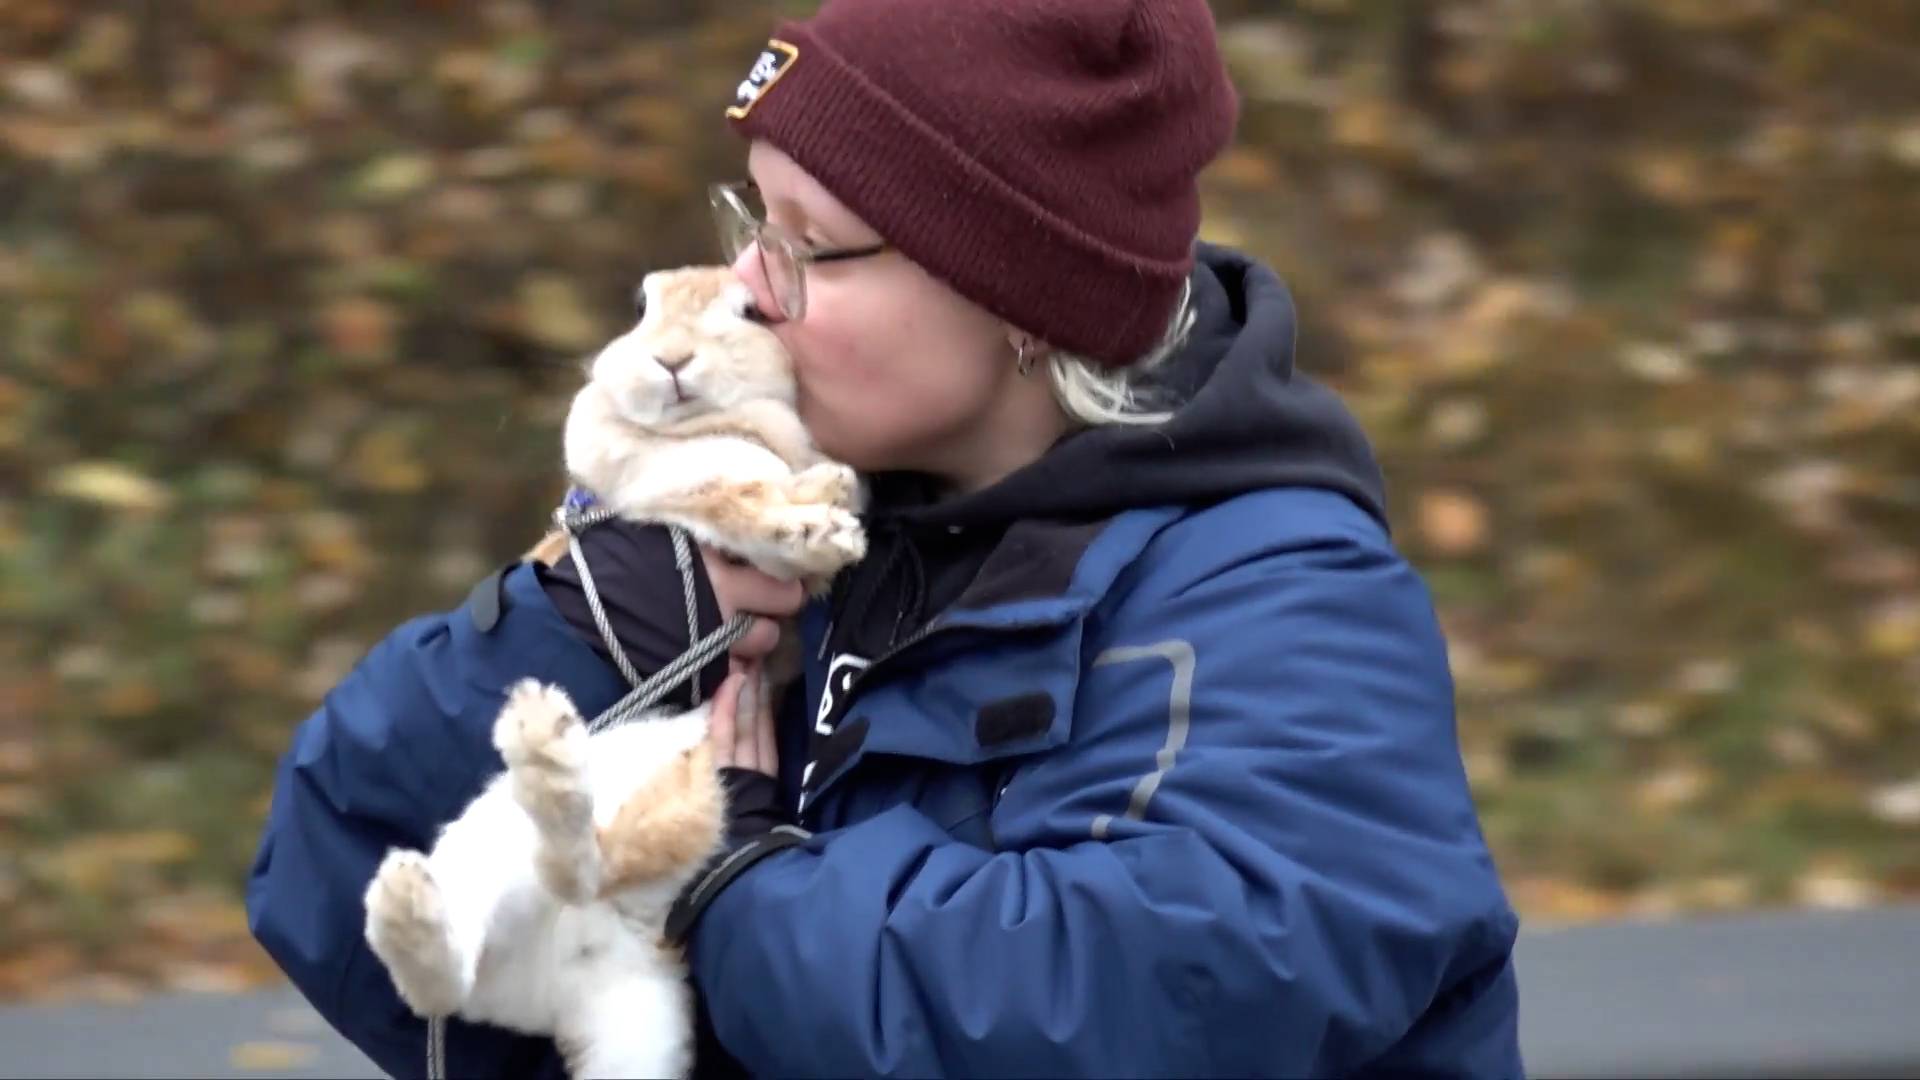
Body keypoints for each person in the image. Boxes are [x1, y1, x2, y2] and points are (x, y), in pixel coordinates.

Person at [247, 0, 1525, 1076]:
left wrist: (728, 882)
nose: (749, 287)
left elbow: (1121, 995)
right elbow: (350, 866)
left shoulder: (1283, 600)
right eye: (754, 223)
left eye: (812, 246)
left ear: (1024, 305)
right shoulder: (825, 532)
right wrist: (598, 608)